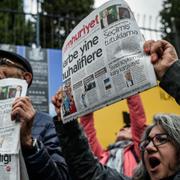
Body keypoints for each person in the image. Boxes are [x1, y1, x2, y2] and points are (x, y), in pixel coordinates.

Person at [52, 39, 180, 180]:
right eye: (146, 142)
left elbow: (137, 115)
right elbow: (87, 167)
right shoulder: (103, 154)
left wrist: (169, 71)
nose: (149, 146)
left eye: (160, 139)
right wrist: (69, 113)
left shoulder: (135, 149)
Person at [0, 49, 70, 180]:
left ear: (26, 78)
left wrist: (29, 143)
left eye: (3, 62)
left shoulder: (46, 123)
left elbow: (60, 176)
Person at [80, 94, 146, 177]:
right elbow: (88, 133)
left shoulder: (138, 151)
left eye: (127, 127)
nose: (123, 129)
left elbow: (138, 120)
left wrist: (130, 90)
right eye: (121, 128)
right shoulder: (102, 155)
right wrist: (87, 101)